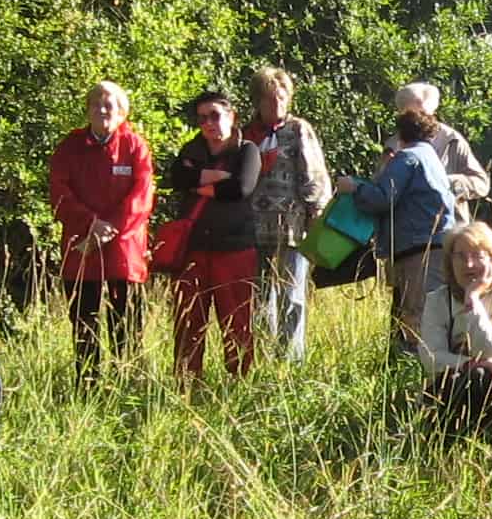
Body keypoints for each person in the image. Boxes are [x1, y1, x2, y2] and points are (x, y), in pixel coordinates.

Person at [46, 81, 153, 371]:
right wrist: (90, 223)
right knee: (84, 326)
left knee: (126, 327)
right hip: (82, 247)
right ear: (87, 110)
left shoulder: (134, 146)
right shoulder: (70, 146)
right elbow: (58, 191)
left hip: (123, 250)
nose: (102, 110)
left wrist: (111, 228)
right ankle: (87, 387)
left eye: (109, 105)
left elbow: (142, 195)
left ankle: (127, 383)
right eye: (96, 104)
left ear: (122, 112)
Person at [162, 90, 265, 378]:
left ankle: (239, 383)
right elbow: (177, 178)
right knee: (188, 322)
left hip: (235, 248)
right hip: (193, 248)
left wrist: (197, 182)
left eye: (215, 115)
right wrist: (216, 180)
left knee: (237, 321)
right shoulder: (190, 150)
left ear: (232, 117)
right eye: (202, 118)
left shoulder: (248, 151)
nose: (209, 123)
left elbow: (240, 189)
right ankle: (187, 382)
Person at [352, 101, 461, 353]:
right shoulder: (431, 158)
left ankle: (420, 371)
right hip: (434, 245)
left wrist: (355, 187)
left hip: (416, 248)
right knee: (432, 311)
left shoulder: (407, 157)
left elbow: (383, 197)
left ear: (400, 134)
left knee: (417, 314)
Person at [418, 221, 492, 451]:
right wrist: (470, 364)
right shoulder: (437, 300)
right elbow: (430, 357)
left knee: (486, 377)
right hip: (453, 385)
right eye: (460, 256)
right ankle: (445, 457)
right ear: (450, 262)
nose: (469, 264)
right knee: (477, 375)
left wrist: (473, 301)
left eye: (477, 255)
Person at [245, 67, 331, 362]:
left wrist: (316, 211)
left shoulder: (297, 130)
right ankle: (261, 362)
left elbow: (314, 174)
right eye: (270, 99)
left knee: (291, 298)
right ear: (258, 101)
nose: (277, 105)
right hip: (254, 230)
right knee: (259, 299)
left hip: (292, 230)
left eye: (282, 98)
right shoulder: (247, 134)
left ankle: (290, 361)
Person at [395, 83, 492, 211]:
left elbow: (482, 184)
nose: (417, 121)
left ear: (433, 112)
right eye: (410, 116)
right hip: (406, 225)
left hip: (448, 226)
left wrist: (448, 183)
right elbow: (381, 187)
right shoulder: (393, 142)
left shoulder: (452, 140)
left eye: (423, 114)